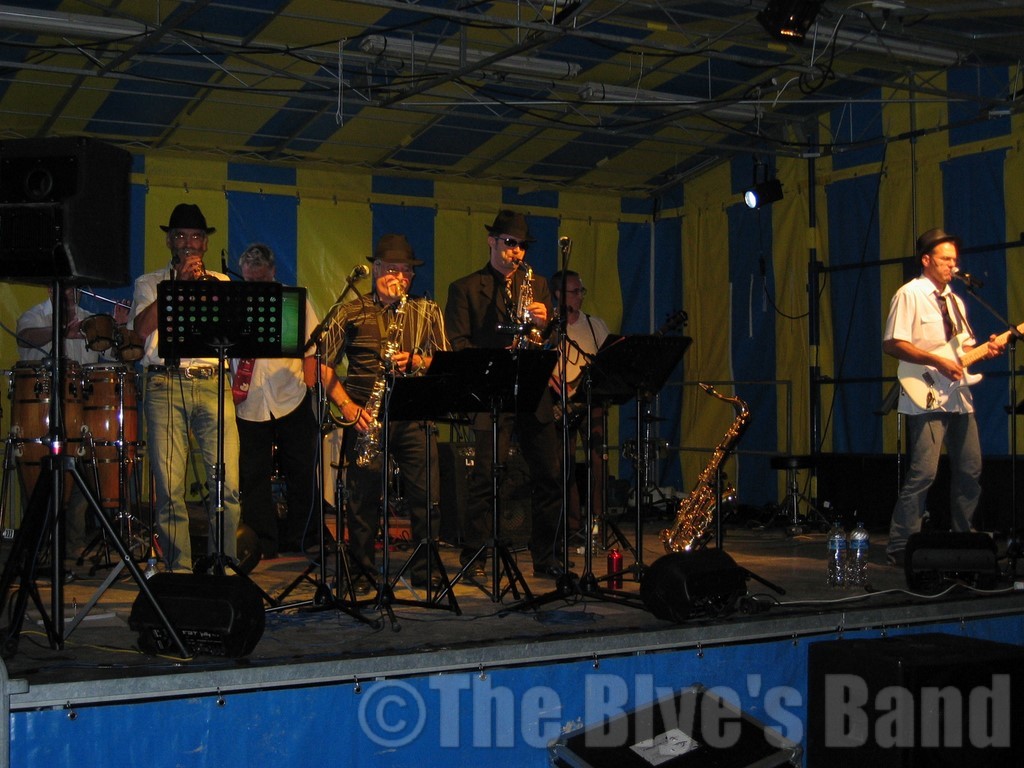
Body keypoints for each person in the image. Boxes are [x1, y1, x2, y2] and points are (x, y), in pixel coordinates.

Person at [318, 234, 449, 593]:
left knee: (426, 499)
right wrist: (347, 406)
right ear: (375, 269)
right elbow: (322, 366)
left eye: (406, 271)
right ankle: (361, 572)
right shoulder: (350, 311)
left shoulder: (428, 311)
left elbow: (445, 361)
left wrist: (419, 361)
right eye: (392, 269)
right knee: (361, 501)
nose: (400, 277)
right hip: (365, 416)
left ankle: (426, 569)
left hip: (414, 415)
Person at [444, 210, 566, 580]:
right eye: (510, 243)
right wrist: (497, 356)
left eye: (522, 245)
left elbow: (550, 339)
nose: (517, 251)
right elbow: (458, 343)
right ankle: (476, 554)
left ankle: (546, 555)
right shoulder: (466, 287)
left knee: (551, 474)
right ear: (491, 241)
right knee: (485, 476)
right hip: (491, 390)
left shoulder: (538, 284)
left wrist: (545, 325)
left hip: (531, 389)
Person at [882, 228, 1005, 567]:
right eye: (946, 259)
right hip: (925, 393)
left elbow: (963, 350)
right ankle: (900, 544)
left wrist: (988, 348)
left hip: (959, 396)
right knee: (923, 472)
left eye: (954, 259)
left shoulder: (955, 301)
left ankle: (964, 537)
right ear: (926, 260)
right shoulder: (909, 294)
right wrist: (937, 361)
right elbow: (892, 343)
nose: (953, 265)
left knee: (970, 469)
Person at [129, 203, 241, 573]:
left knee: (227, 483)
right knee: (169, 486)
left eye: (196, 237)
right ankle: (179, 569)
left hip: (213, 383)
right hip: (165, 382)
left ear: (205, 243)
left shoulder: (221, 283)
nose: (189, 243)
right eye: (180, 236)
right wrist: (176, 286)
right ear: (169, 242)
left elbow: (233, 335)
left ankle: (223, 566)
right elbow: (140, 332)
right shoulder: (149, 283)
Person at [16, 288, 129, 574]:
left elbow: (113, 354)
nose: (70, 294)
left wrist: (118, 328)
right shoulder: (35, 314)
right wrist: (61, 331)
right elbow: (25, 336)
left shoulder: (90, 320)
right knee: (38, 473)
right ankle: (38, 544)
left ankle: (73, 543)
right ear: (51, 289)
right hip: (41, 409)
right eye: (65, 288)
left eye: (73, 289)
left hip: (80, 407)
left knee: (79, 471)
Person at [233, 243, 321, 559]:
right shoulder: (235, 302)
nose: (256, 286)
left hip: (290, 395)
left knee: (301, 470)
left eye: (261, 281)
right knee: (253, 475)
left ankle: (302, 538)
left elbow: (312, 350)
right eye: (250, 281)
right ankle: (262, 542)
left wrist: (309, 391)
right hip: (250, 401)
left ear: (273, 272)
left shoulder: (293, 300)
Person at [549, 270, 611, 536]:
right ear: (559, 295)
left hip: (591, 401)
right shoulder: (550, 328)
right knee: (565, 463)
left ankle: (598, 520)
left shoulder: (595, 325)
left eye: (581, 291)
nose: (580, 296)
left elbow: (607, 362)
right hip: (560, 403)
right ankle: (572, 524)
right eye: (575, 292)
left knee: (598, 460)